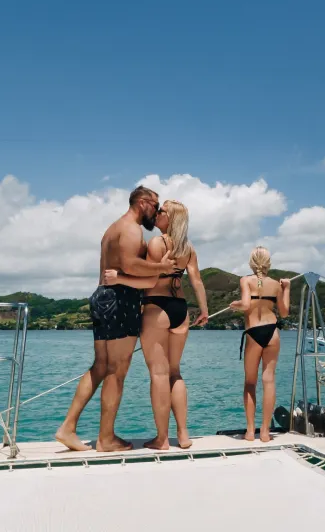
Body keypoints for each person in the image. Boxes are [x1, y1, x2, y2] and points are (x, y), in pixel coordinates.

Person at [54, 186, 177, 452]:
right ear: (143, 203)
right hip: (120, 299)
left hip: (103, 296)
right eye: (155, 207)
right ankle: (106, 438)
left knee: (100, 367)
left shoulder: (112, 229)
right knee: (116, 371)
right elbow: (130, 264)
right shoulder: (132, 229)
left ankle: (68, 427)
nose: (155, 213)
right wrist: (162, 268)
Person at [106, 200, 208, 450]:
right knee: (175, 372)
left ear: (171, 219)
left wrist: (119, 278)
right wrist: (204, 310)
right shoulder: (188, 249)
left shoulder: (156, 243)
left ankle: (162, 439)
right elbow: (196, 280)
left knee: (159, 375)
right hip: (180, 311)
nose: (158, 213)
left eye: (162, 211)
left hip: (157, 308)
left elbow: (148, 282)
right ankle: (183, 435)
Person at [228, 246, 289, 442]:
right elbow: (285, 312)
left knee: (250, 382)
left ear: (251, 263)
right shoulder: (276, 285)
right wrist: (286, 288)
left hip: (254, 332)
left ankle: (249, 431)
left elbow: (246, 305)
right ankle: (265, 432)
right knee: (268, 380)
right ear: (268, 263)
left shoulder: (245, 280)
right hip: (272, 331)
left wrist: (235, 305)